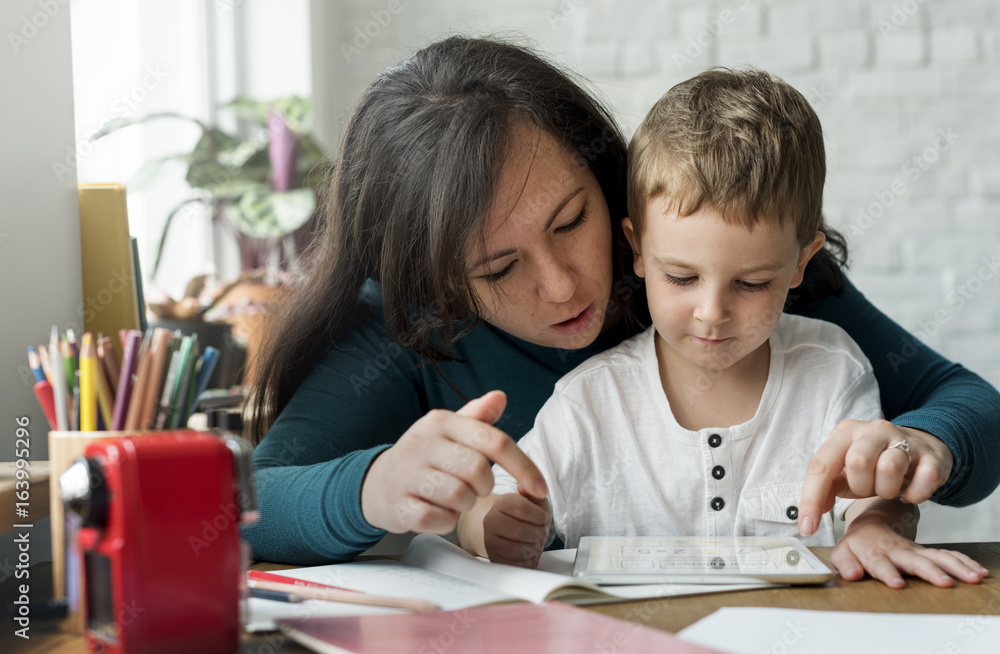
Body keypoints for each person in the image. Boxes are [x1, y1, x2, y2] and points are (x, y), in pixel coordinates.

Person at [243, 36, 1000, 568]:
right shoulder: (402, 323)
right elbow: (249, 506)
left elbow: (967, 405)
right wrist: (374, 487)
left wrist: (924, 447)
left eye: (572, 220)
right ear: (434, 280)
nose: (566, 285)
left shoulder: (718, 253)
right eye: (500, 266)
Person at [457, 69, 989, 588]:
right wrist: (491, 526)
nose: (712, 312)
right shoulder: (590, 401)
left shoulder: (831, 368)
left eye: (753, 283)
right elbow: (490, 503)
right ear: (637, 249)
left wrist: (875, 526)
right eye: (681, 277)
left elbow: (870, 489)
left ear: (801, 264)